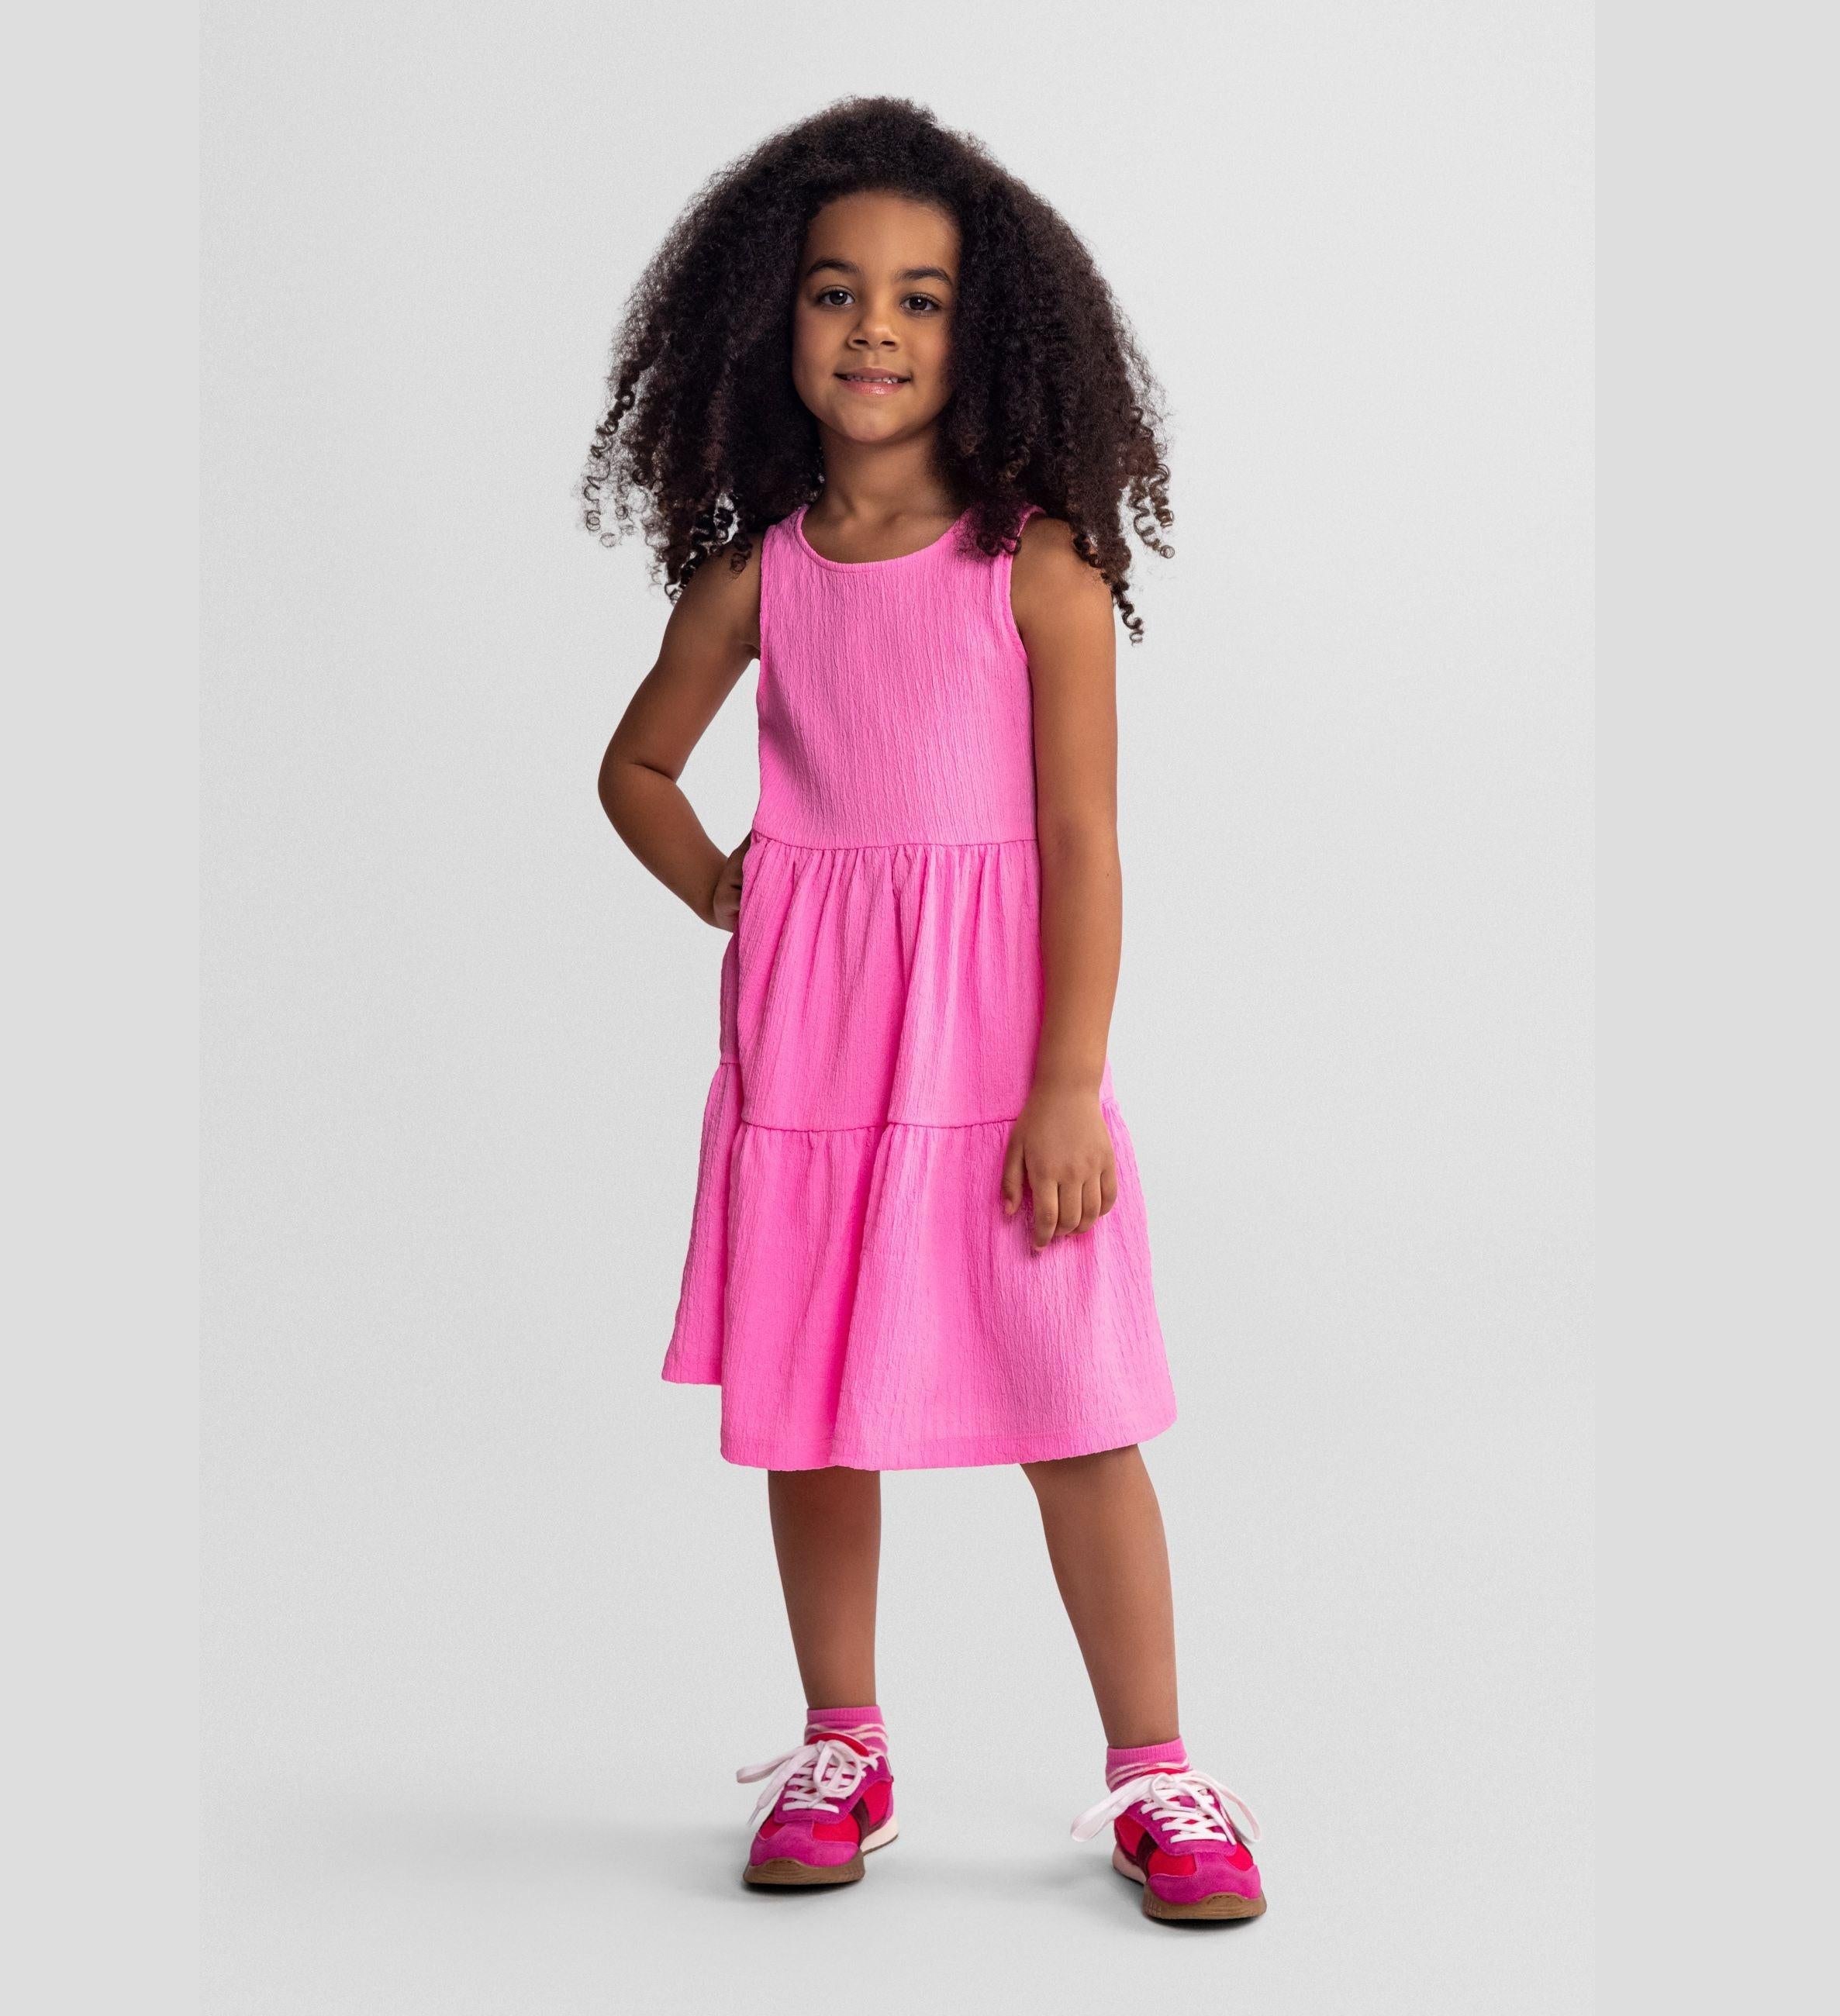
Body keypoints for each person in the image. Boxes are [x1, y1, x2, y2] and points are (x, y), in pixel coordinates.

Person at [589, 97, 1264, 1924]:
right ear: (769, 326)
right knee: (815, 1413)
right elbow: (636, 768)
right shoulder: (758, 577)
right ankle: (842, 1743)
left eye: (919, 297)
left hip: (995, 1064)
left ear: (989, 332)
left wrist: (1067, 1083)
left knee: (1077, 1411)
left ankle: (1158, 1773)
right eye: (833, 294)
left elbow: (1079, 841)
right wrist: (743, 886)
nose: (872, 330)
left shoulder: (1036, 569)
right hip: (813, 1060)